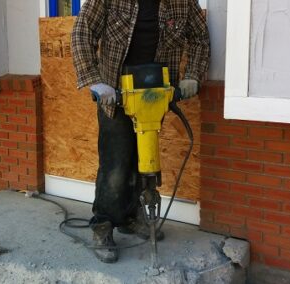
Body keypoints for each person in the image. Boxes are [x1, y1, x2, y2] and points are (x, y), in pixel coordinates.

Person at [71, 0, 210, 263]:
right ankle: (102, 228)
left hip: (154, 95)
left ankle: (131, 218)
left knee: (143, 164)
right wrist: (95, 81)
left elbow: (200, 38)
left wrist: (193, 76)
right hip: (116, 95)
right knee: (116, 167)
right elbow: (82, 32)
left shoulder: (181, 2)